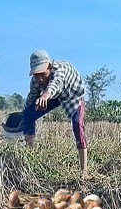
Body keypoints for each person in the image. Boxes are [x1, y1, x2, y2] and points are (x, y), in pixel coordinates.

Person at [22, 49, 88, 177]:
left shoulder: (59, 70)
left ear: (49, 66)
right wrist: (23, 115)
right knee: (28, 115)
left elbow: (55, 84)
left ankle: (84, 171)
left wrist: (45, 96)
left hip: (72, 95)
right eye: (36, 74)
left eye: (42, 73)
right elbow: (31, 97)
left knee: (77, 124)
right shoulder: (36, 81)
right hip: (53, 97)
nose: (40, 78)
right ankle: (31, 159)